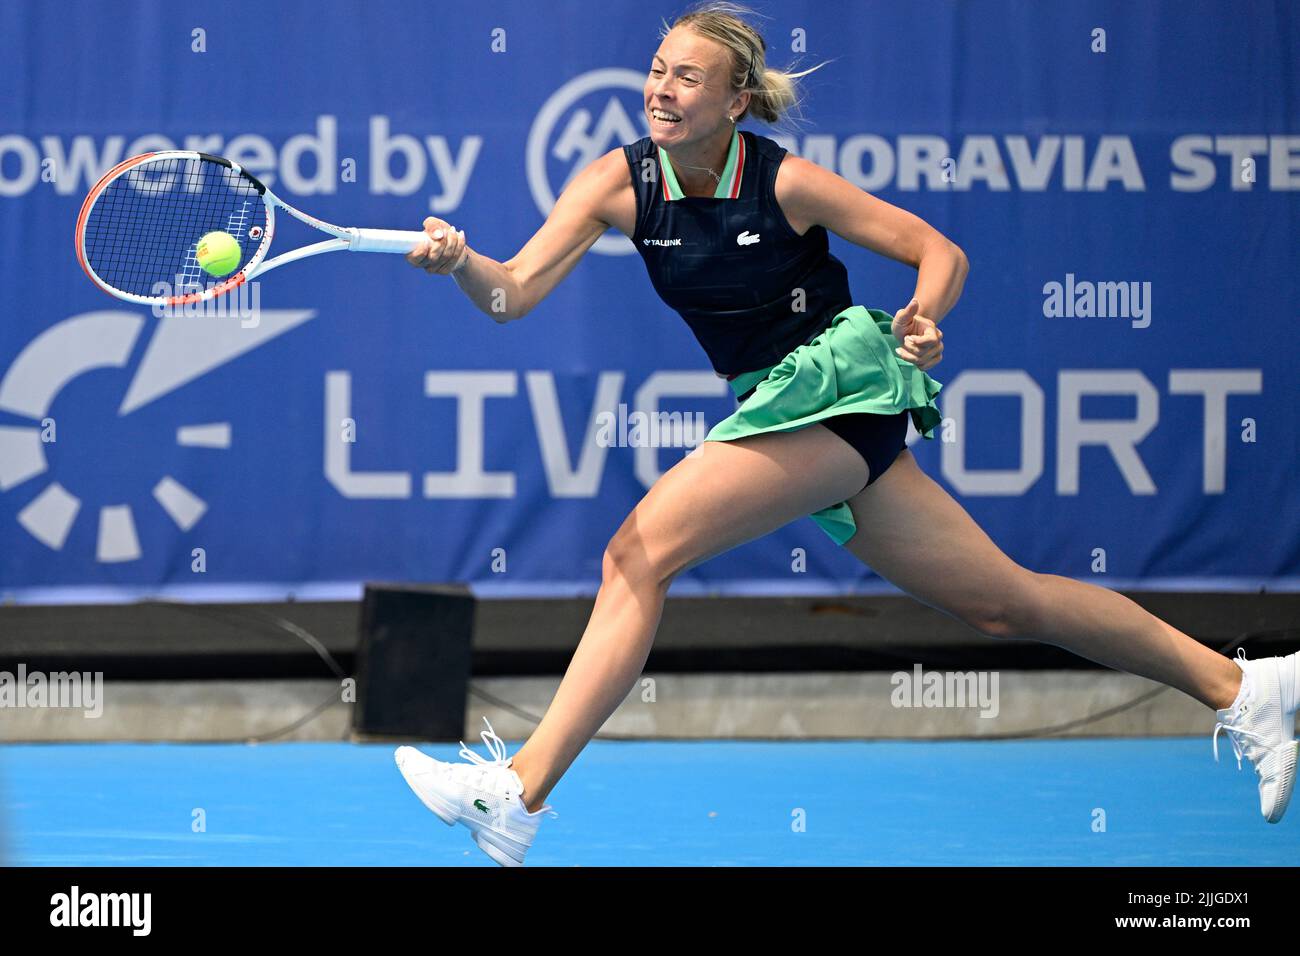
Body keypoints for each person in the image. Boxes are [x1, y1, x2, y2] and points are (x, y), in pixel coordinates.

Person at [393, 2, 1298, 866]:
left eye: (688, 79)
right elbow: (511, 294)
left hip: (842, 384)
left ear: (734, 102)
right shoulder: (615, 183)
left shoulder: (783, 180)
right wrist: (463, 261)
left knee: (639, 554)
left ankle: (519, 793)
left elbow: (939, 252)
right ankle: (1243, 687)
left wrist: (925, 320)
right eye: (658, 71)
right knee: (1004, 602)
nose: (662, 90)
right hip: (780, 403)